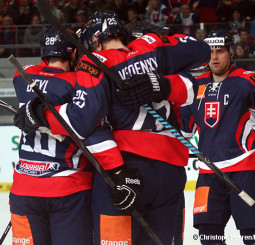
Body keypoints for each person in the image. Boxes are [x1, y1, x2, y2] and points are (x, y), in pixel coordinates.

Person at [13, 10, 211, 245]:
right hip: (171, 171)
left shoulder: (95, 62)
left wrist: (40, 113)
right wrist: (164, 73)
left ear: (95, 41)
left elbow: (82, 122)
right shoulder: (152, 44)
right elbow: (204, 53)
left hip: (126, 166)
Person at [178, 29, 255, 245]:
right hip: (209, 173)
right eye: (210, 51)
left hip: (246, 170)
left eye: (220, 51)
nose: (214, 57)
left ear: (231, 52)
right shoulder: (195, 86)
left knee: (254, 238)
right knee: (208, 237)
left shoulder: (248, 80)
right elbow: (183, 129)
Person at [10, 25, 125, 245]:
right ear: (73, 52)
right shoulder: (76, 83)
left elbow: (44, 77)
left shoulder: (21, 76)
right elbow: (93, 132)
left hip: (24, 189)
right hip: (67, 189)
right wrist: (119, 172)